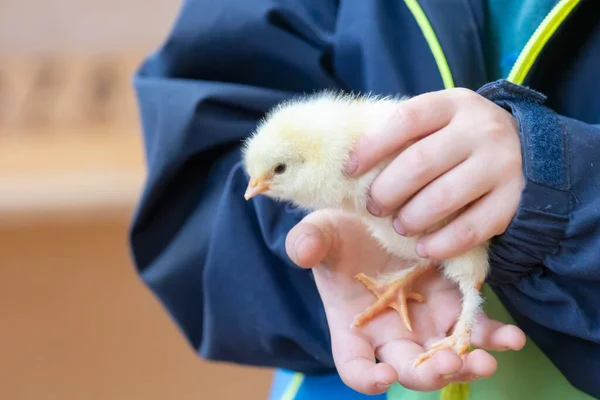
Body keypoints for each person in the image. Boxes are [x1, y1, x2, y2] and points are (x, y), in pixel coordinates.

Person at [128, 0, 600, 399]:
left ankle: (458, 324)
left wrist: (557, 183)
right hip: (352, 378)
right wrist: (313, 259)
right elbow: (195, 197)